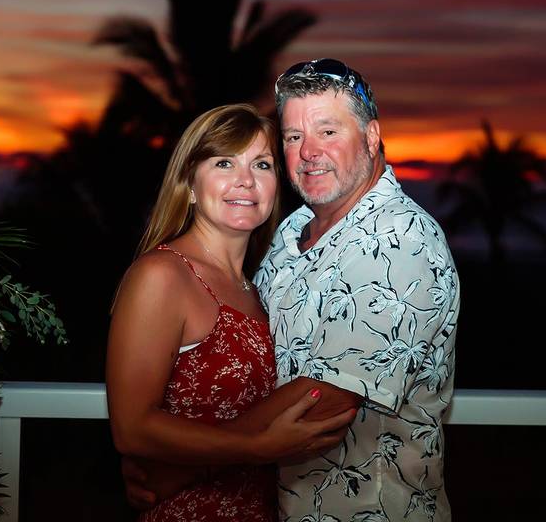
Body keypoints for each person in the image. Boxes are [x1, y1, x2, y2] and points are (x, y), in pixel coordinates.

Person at [126, 61, 461, 521]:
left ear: (371, 136)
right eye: (293, 137)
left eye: (327, 131)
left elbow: (331, 394)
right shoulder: (290, 233)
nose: (308, 152)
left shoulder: (401, 239)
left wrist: (181, 469)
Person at [106, 104, 358, 522]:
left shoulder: (260, 288)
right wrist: (255, 449)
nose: (245, 180)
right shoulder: (163, 275)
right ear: (188, 183)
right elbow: (131, 428)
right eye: (224, 162)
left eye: (262, 164)